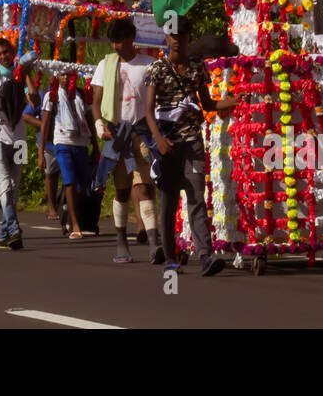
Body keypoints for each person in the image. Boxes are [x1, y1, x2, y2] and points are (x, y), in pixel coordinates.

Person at [144, 17, 234, 277]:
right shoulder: (156, 69)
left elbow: (207, 104)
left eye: (180, 35)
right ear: (166, 37)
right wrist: (158, 141)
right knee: (169, 201)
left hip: (192, 142)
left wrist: (233, 102)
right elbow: (148, 111)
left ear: (187, 37)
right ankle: (170, 257)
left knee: (196, 198)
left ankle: (205, 255)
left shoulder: (197, 67)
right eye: (171, 35)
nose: (175, 40)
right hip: (168, 144)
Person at [90, 17, 159, 263]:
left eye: (119, 41)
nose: (115, 46)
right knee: (120, 192)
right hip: (115, 135)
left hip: (142, 134)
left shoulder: (149, 65)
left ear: (131, 38)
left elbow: (157, 103)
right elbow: (96, 103)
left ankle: (153, 244)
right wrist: (100, 126)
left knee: (144, 188)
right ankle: (121, 242)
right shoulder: (105, 65)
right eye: (112, 42)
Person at [0, 38, 36, 250]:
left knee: (15, 183)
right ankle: (13, 229)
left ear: (13, 51)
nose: (4, 56)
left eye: (6, 52)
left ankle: (4, 233)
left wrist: (26, 74)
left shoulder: (20, 74)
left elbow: (34, 100)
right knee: (3, 181)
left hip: (19, 136)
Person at [41, 73, 97, 239]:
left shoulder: (80, 93)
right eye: (62, 75)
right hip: (62, 142)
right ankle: (75, 224)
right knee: (69, 182)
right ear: (57, 77)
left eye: (69, 75)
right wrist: (41, 151)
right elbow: (45, 123)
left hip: (81, 143)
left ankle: (68, 211)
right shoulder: (51, 95)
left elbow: (89, 118)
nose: (65, 78)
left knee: (81, 187)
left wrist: (95, 146)